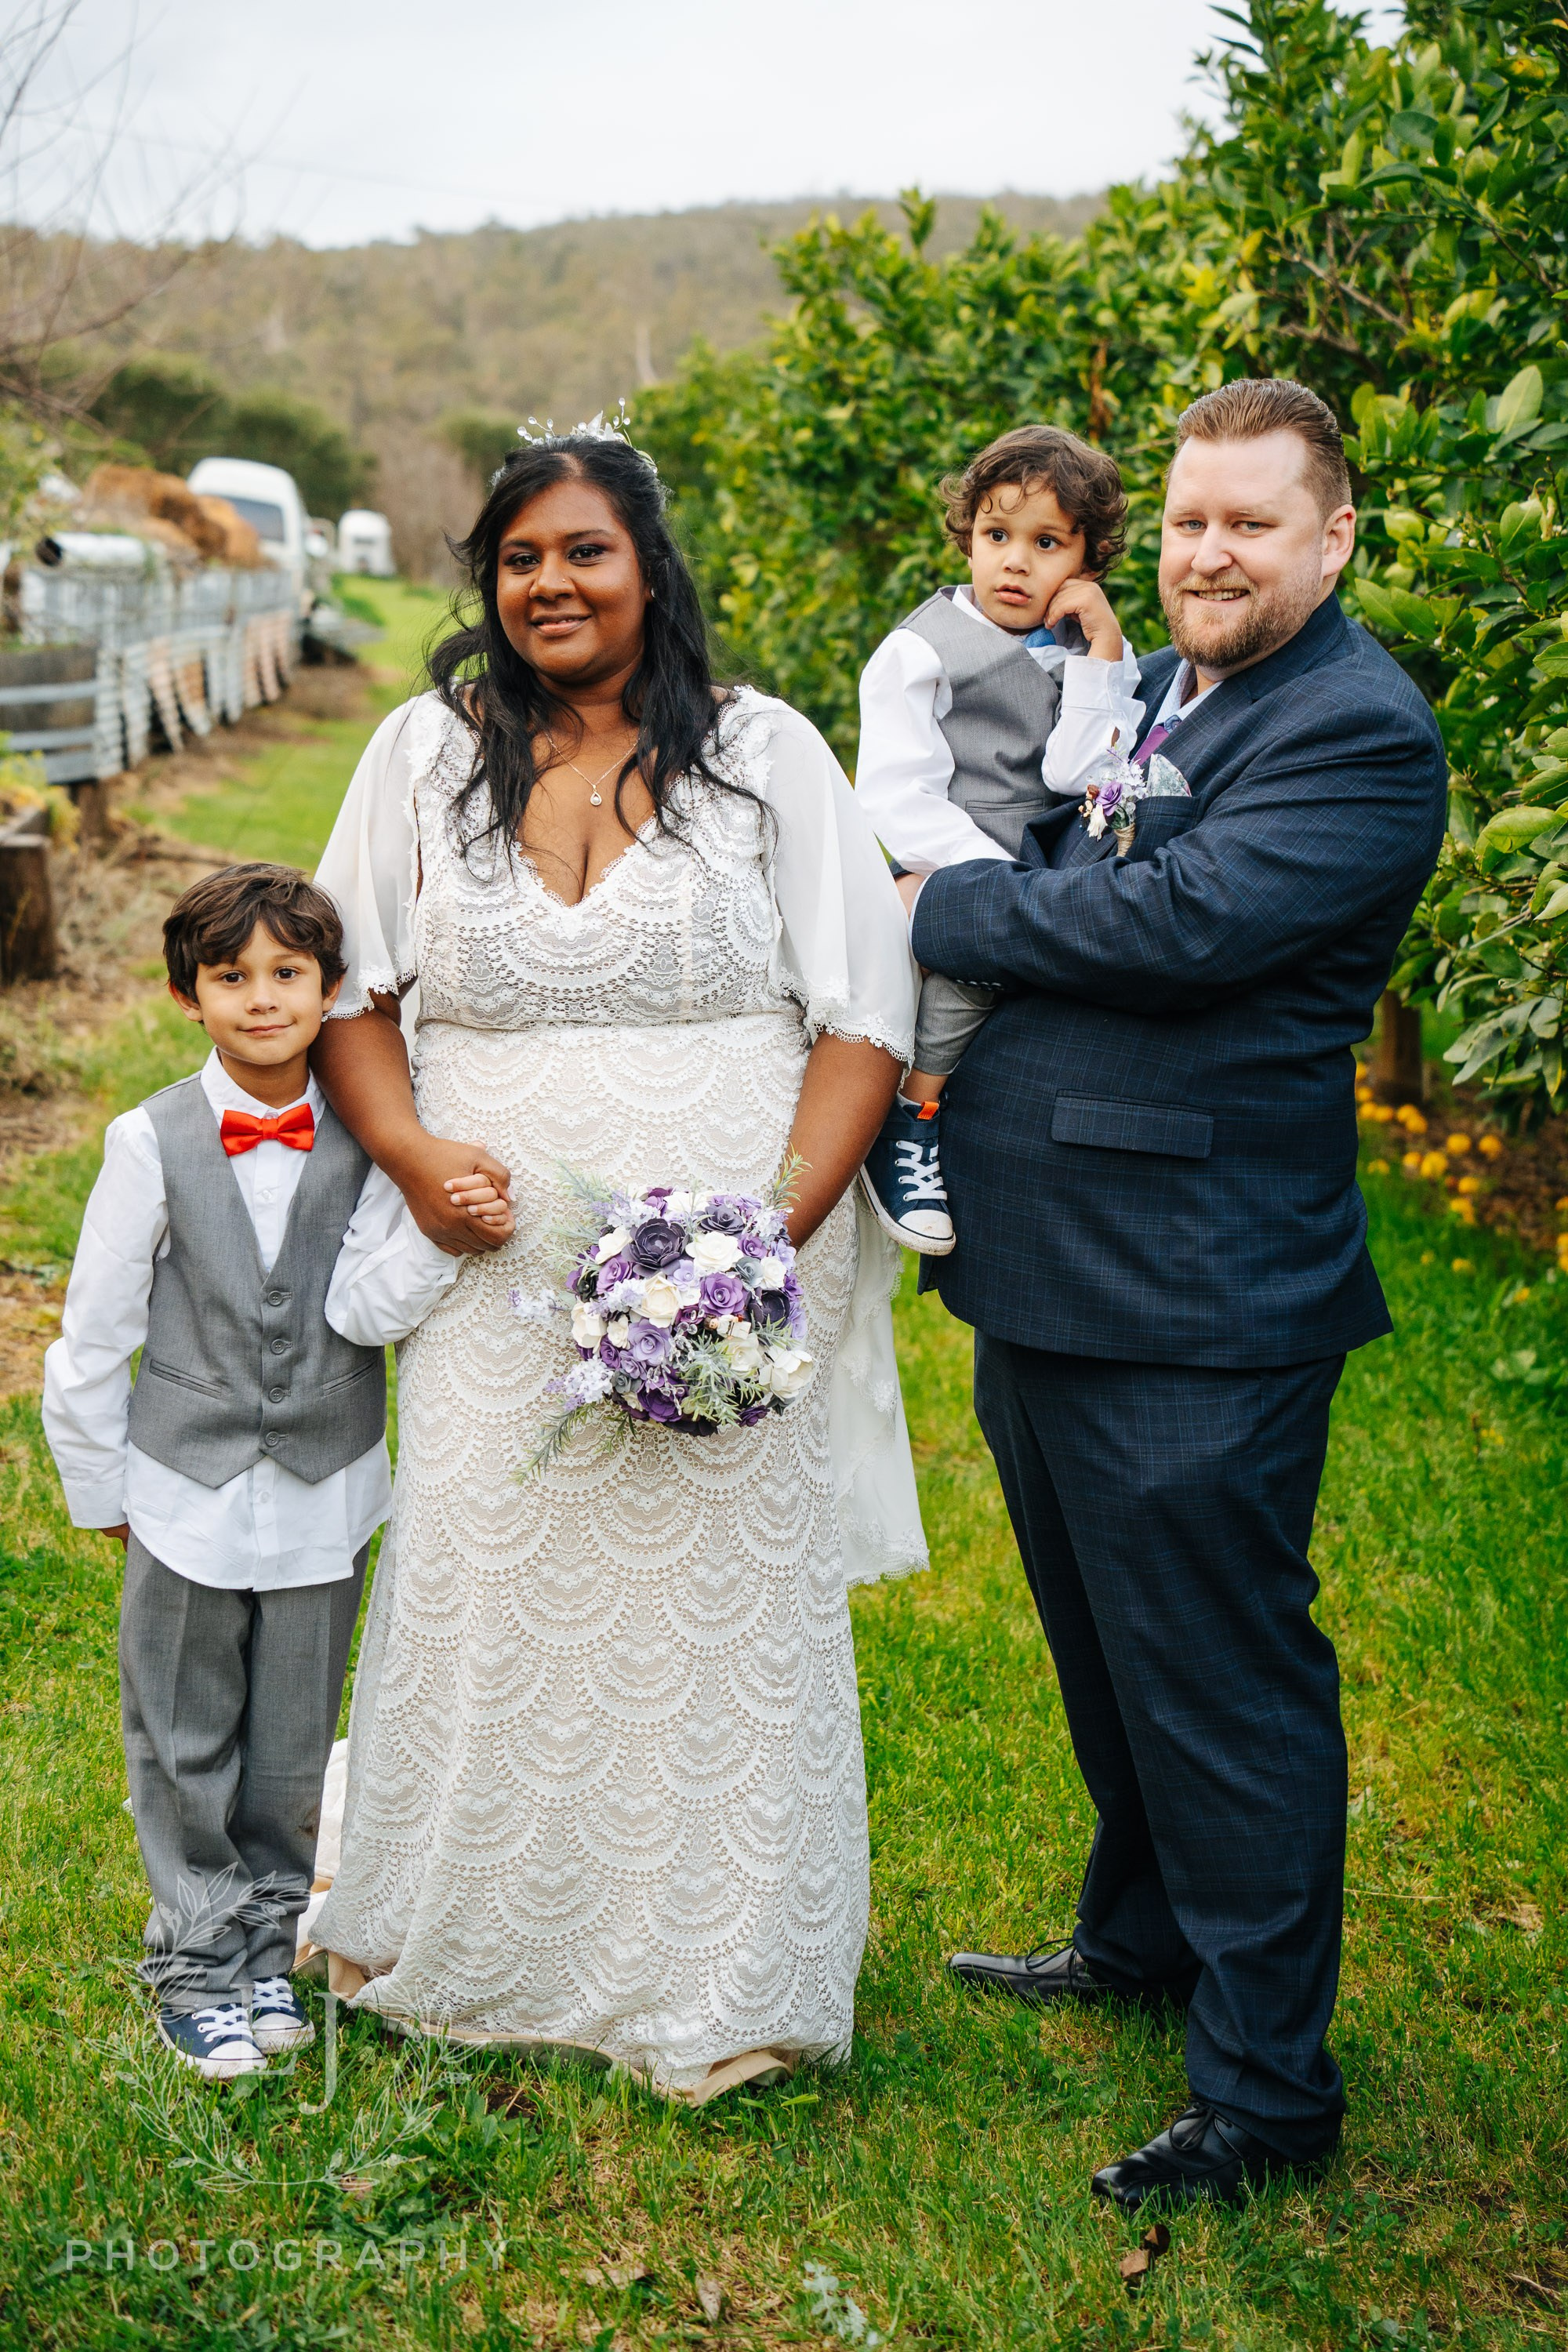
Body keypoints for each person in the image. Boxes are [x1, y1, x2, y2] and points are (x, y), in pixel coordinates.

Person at [307, 421, 925, 2101]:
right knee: (482, 1576)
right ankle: (455, 1923)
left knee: (713, 1601)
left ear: (651, 568)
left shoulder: (767, 755)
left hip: (722, 1259)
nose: (550, 584)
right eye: (519, 558)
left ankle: (720, 1972)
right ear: (487, 583)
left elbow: (864, 1018)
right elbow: (349, 995)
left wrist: (753, 1248)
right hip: (490, 1272)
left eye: (585, 551)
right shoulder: (418, 759)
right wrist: (423, 1160)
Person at [902, 379, 1448, 2207]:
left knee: (1221, 1682)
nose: (1204, 554)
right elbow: (1066, 844)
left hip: (1193, 1294)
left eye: (1247, 524)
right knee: (1103, 1644)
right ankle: (1136, 1936)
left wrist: (939, 907)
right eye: (1185, 520)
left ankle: (1266, 2093)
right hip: (1046, 1264)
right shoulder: (1141, 687)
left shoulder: (1353, 730)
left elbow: (1167, 925)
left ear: (1331, 536)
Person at [40, 865, 510, 2081]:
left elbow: (360, 1306)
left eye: (287, 975)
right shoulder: (146, 1142)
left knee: (293, 1746)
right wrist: (107, 1498)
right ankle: (195, 1967)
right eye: (230, 978)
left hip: (325, 1483)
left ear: (329, 988)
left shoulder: (368, 1142)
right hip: (182, 1495)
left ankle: (263, 1955)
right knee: (185, 1738)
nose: (261, 1000)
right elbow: (93, 1338)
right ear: (189, 994)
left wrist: (442, 1235)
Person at [855, 425, 1142, 1254]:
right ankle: (908, 1122)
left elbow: (1078, 773)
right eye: (996, 536)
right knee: (969, 972)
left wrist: (1103, 656)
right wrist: (988, 882)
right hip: (952, 868)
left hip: (1040, 879)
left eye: (1045, 543)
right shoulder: (919, 651)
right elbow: (893, 791)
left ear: (1085, 564)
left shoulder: (1079, 655)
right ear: (967, 539)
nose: (1014, 562)